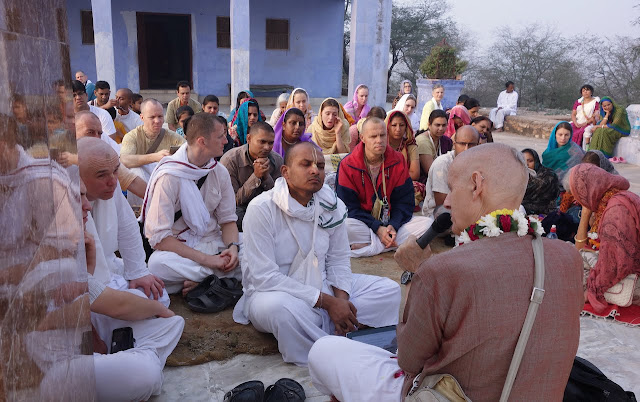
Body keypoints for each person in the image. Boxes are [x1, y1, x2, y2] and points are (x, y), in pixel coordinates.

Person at [309, 143, 584, 402]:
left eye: (452, 189)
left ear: (477, 185)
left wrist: (416, 274)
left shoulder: (443, 270)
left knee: (324, 351)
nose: (448, 202)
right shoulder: (568, 256)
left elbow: (409, 360)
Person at [233, 141, 401, 366]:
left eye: (320, 166)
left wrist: (341, 301)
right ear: (286, 171)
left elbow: (339, 259)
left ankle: (333, 332)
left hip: (323, 284)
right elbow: (264, 278)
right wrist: (327, 303)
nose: (315, 170)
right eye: (306, 164)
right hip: (277, 293)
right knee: (279, 311)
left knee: (388, 290)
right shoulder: (262, 208)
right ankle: (333, 351)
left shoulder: (332, 204)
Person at [77, 181, 184, 401]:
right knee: (145, 374)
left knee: (170, 321)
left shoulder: (76, 237)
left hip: (93, 311)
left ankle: (133, 355)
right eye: (78, 198)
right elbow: (111, 303)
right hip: (52, 364)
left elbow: (128, 229)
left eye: (86, 197)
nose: (87, 206)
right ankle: (140, 357)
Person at [144, 113, 241, 294]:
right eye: (220, 136)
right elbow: (160, 238)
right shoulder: (169, 176)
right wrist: (207, 260)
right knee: (156, 265)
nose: (226, 141)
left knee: (256, 247)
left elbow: (228, 221)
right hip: (181, 248)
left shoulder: (219, 172)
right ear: (202, 141)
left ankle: (202, 280)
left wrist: (233, 249)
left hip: (214, 241)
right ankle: (217, 278)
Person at [78, 137, 168, 303]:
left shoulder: (112, 184)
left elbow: (127, 226)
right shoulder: (66, 199)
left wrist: (138, 272)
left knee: (159, 297)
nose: (112, 181)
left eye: (115, 171)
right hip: (83, 282)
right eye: (101, 175)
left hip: (110, 263)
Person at [336, 117, 432, 258]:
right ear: (362, 138)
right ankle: (389, 244)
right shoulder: (347, 164)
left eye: (382, 135)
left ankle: (369, 246)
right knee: (343, 226)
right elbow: (348, 208)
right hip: (363, 224)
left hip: (391, 225)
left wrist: (393, 225)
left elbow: (405, 202)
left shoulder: (397, 160)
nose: (379, 140)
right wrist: (377, 228)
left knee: (428, 224)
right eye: (373, 136)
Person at [569, 163, 640, 313]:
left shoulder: (616, 209)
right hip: (629, 265)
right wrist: (586, 215)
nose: (579, 202)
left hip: (634, 276)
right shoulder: (611, 200)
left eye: (580, 195)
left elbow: (615, 264)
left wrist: (591, 291)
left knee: (573, 276)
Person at [220, 121, 283, 231]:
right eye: (262, 142)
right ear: (249, 139)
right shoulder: (230, 160)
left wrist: (266, 177)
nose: (267, 147)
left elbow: (280, 197)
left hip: (267, 207)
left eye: (270, 143)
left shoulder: (277, 160)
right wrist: (256, 176)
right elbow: (232, 201)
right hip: (240, 209)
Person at [120, 99, 185, 193]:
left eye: (160, 116)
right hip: (141, 189)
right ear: (142, 118)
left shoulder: (172, 137)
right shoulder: (132, 136)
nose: (157, 121)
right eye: (152, 117)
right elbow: (124, 160)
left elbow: (189, 152)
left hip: (167, 185)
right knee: (136, 171)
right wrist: (155, 157)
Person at [423, 125, 480, 218]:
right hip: (440, 216)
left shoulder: (479, 162)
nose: (466, 149)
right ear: (454, 144)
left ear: (478, 145)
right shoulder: (442, 164)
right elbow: (442, 204)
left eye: (471, 144)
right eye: (462, 144)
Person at [71, 80, 118, 150]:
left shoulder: (103, 114)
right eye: (73, 95)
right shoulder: (65, 118)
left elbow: (110, 144)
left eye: (80, 94)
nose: (78, 97)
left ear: (86, 95)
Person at [542, 121, 584, 189]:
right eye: (560, 134)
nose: (563, 138)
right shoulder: (548, 152)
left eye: (566, 135)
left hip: (568, 188)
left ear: (570, 135)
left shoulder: (575, 152)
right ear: (555, 134)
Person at [415, 109, 452, 182]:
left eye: (444, 125)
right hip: (426, 180)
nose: (441, 129)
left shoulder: (446, 141)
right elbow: (430, 171)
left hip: (442, 176)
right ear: (429, 124)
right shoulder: (422, 141)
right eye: (437, 125)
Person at [521, 148, 560, 215]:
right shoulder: (518, 176)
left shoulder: (548, 176)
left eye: (530, 161)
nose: (526, 164)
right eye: (523, 161)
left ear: (536, 161)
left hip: (546, 214)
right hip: (523, 213)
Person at [385, 110, 419, 181]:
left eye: (402, 125)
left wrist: (391, 176)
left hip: (403, 183)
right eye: (394, 125)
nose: (398, 129)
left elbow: (415, 174)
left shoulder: (411, 145)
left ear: (406, 127)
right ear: (387, 126)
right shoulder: (381, 145)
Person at [570, 84, 600, 150]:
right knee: (566, 128)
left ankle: (586, 149)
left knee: (586, 131)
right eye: (583, 91)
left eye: (587, 90)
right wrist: (575, 123)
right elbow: (573, 114)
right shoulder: (578, 102)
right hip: (577, 122)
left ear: (591, 92)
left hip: (590, 123)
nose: (585, 92)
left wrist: (584, 124)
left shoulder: (596, 102)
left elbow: (595, 116)